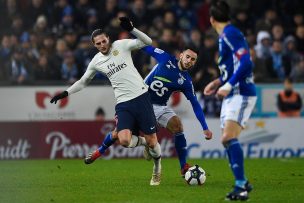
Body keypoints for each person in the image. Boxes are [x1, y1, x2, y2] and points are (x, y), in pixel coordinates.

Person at [50, 17, 162, 186]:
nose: (102, 45)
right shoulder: (96, 61)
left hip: (141, 97)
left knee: (154, 142)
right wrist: (66, 93)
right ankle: (144, 142)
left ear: (108, 39)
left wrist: (132, 29)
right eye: (98, 43)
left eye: (104, 41)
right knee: (124, 140)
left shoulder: (121, 45)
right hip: (123, 103)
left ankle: (156, 170)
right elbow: (83, 81)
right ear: (94, 45)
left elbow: (147, 41)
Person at [85, 45, 213, 177]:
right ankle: (99, 151)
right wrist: (128, 39)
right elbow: (145, 46)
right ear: (181, 55)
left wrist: (205, 127)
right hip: (140, 99)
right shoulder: (165, 58)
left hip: (159, 107)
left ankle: (183, 167)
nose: (189, 61)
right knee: (119, 135)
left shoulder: (186, 82)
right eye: (187, 56)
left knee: (178, 126)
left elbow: (195, 104)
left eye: (193, 59)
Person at [204, 1, 257, 201]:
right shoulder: (225, 36)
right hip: (231, 92)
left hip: (241, 92)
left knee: (227, 138)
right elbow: (233, 67)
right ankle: (243, 181)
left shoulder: (230, 34)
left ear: (211, 20)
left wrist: (228, 84)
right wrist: (219, 82)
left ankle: (241, 187)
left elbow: (246, 62)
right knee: (226, 141)